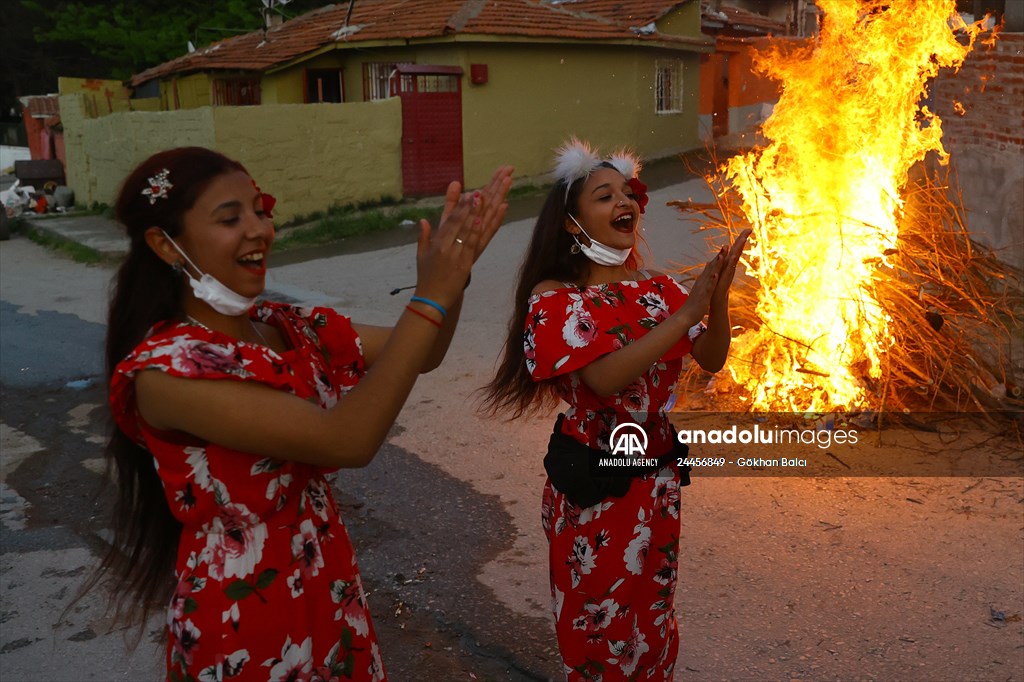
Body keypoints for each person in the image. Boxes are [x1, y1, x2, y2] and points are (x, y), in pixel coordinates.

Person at [97, 146, 512, 681]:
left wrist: (454, 277)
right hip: (246, 621)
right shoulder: (166, 371)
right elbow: (348, 440)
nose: (260, 230)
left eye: (260, 209)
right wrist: (430, 297)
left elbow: (421, 352)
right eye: (231, 218)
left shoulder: (285, 324)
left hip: (327, 583)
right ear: (165, 244)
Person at [483, 139, 749, 680]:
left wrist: (716, 298)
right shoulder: (555, 297)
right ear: (570, 223)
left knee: (653, 624)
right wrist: (685, 314)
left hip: (657, 482)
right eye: (604, 196)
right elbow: (603, 378)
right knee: (599, 632)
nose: (624, 201)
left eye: (628, 192)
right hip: (596, 491)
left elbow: (712, 357)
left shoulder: (658, 288)